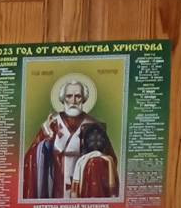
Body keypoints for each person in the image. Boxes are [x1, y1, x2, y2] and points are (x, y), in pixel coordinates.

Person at [21, 73, 117, 201]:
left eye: (78, 96)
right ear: (63, 99)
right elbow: (31, 158)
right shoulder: (52, 124)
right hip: (57, 190)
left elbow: (110, 160)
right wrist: (47, 139)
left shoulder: (94, 126)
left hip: (85, 190)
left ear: (84, 99)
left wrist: (94, 161)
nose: (73, 101)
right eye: (69, 96)